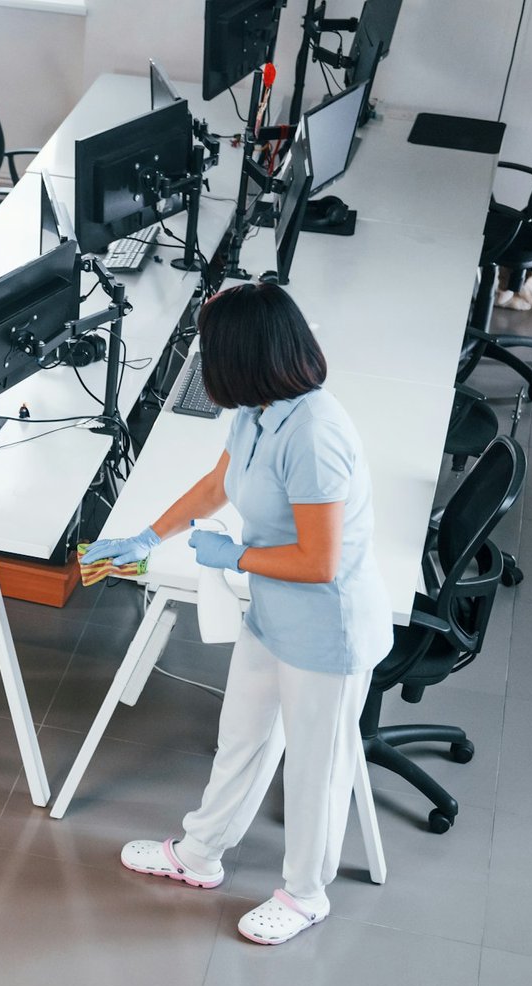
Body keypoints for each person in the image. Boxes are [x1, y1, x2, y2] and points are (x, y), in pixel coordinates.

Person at [80, 283, 391, 945]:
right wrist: (147, 536)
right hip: (272, 615)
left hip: (326, 632)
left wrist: (238, 556)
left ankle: (306, 895)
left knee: (314, 768)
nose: (203, 363)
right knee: (242, 740)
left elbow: (320, 562)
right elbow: (219, 484)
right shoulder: (257, 411)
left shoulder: (314, 434)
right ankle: (199, 853)